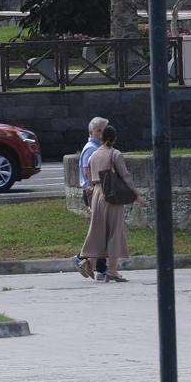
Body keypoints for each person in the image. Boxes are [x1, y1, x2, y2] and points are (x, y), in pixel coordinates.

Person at [80, 125, 133, 283]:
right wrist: (135, 195)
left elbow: (88, 174)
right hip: (111, 194)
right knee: (115, 232)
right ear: (115, 138)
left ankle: (89, 261)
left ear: (101, 139)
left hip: (96, 193)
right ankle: (113, 271)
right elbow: (125, 175)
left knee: (99, 232)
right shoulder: (115, 154)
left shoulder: (94, 155)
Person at [74, 116, 110, 280]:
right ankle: (84, 259)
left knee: (101, 230)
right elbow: (87, 173)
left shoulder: (99, 147)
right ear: (91, 132)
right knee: (100, 230)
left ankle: (97, 266)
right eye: (98, 130)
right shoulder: (91, 149)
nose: (102, 133)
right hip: (92, 191)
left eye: (104, 130)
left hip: (95, 191)